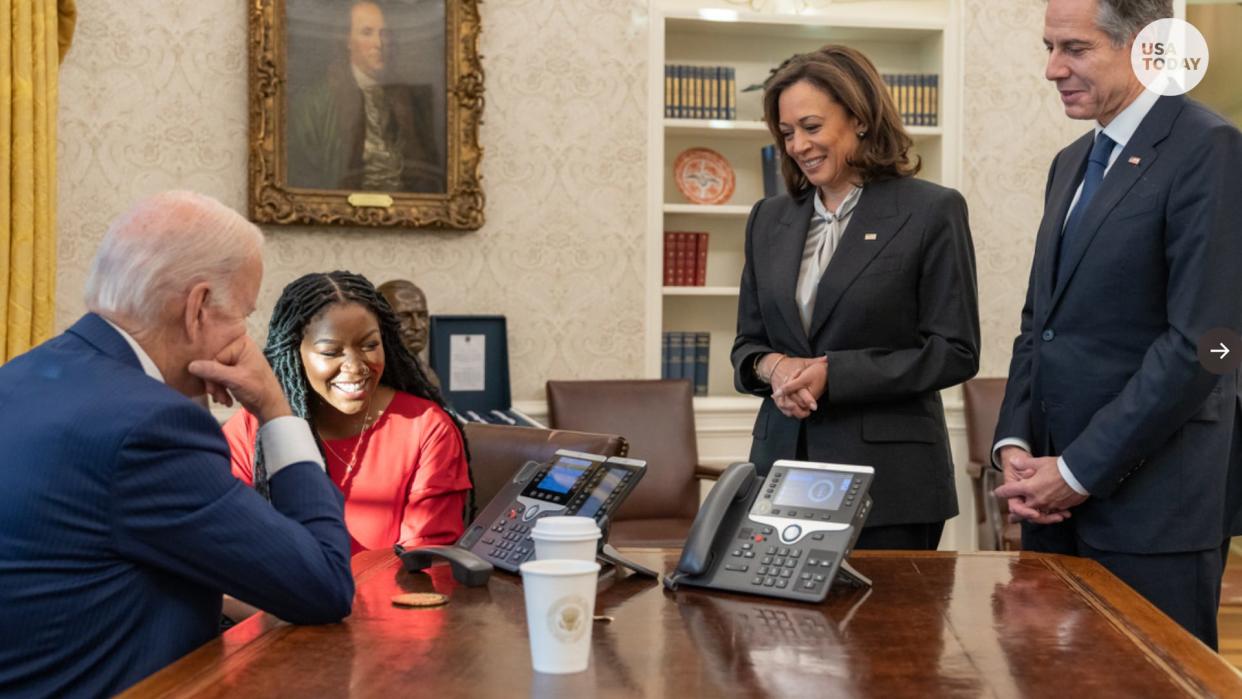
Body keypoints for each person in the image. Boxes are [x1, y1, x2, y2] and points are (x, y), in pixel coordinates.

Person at [0, 192, 354, 696]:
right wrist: (277, 410)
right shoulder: (148, 427)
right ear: (198, 308)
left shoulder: (22, 376)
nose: (245, 338)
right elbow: (323, 585)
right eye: (242, 315)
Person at [992, 0, 1242, 649]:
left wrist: (1076, 471)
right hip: (1049, 500)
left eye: (1074, 49)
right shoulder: (1070, 163)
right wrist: (1015, 443)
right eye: (1049, 47)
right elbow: (1038, 325)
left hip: (1153, 510)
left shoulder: (1210, 148)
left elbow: (1204, 344)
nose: (1052, 68)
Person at [731, 45, 980, 551]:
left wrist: (834, 373)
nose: (798, 144)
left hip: (890, 485)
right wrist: (774, 368)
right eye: (787, 133)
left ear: (860, 119)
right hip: (780, 473)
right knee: (778, 631)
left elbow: (955, 352)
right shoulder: (768, 218)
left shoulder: (931, 211)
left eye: (812, 126)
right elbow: (747, 346)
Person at [223, 271, 471, 555]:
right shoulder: (251, 432)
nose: (355, 366)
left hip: (391, 598)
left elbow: (423, 561)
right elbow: (233, 549)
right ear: (295, 352)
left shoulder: (426, 428)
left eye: (369, 345)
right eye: (330, 352)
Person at [288, 0, 444, 192]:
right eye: (367, 33)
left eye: (384, 34)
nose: (379, 43)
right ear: (347, 41)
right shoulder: (314, 104)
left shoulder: (410, 101)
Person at [378, 278, 440, 390]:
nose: (417, 326)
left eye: (422, 315)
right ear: (381, 321)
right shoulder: (375, 377)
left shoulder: (427, 374)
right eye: (404, 317)